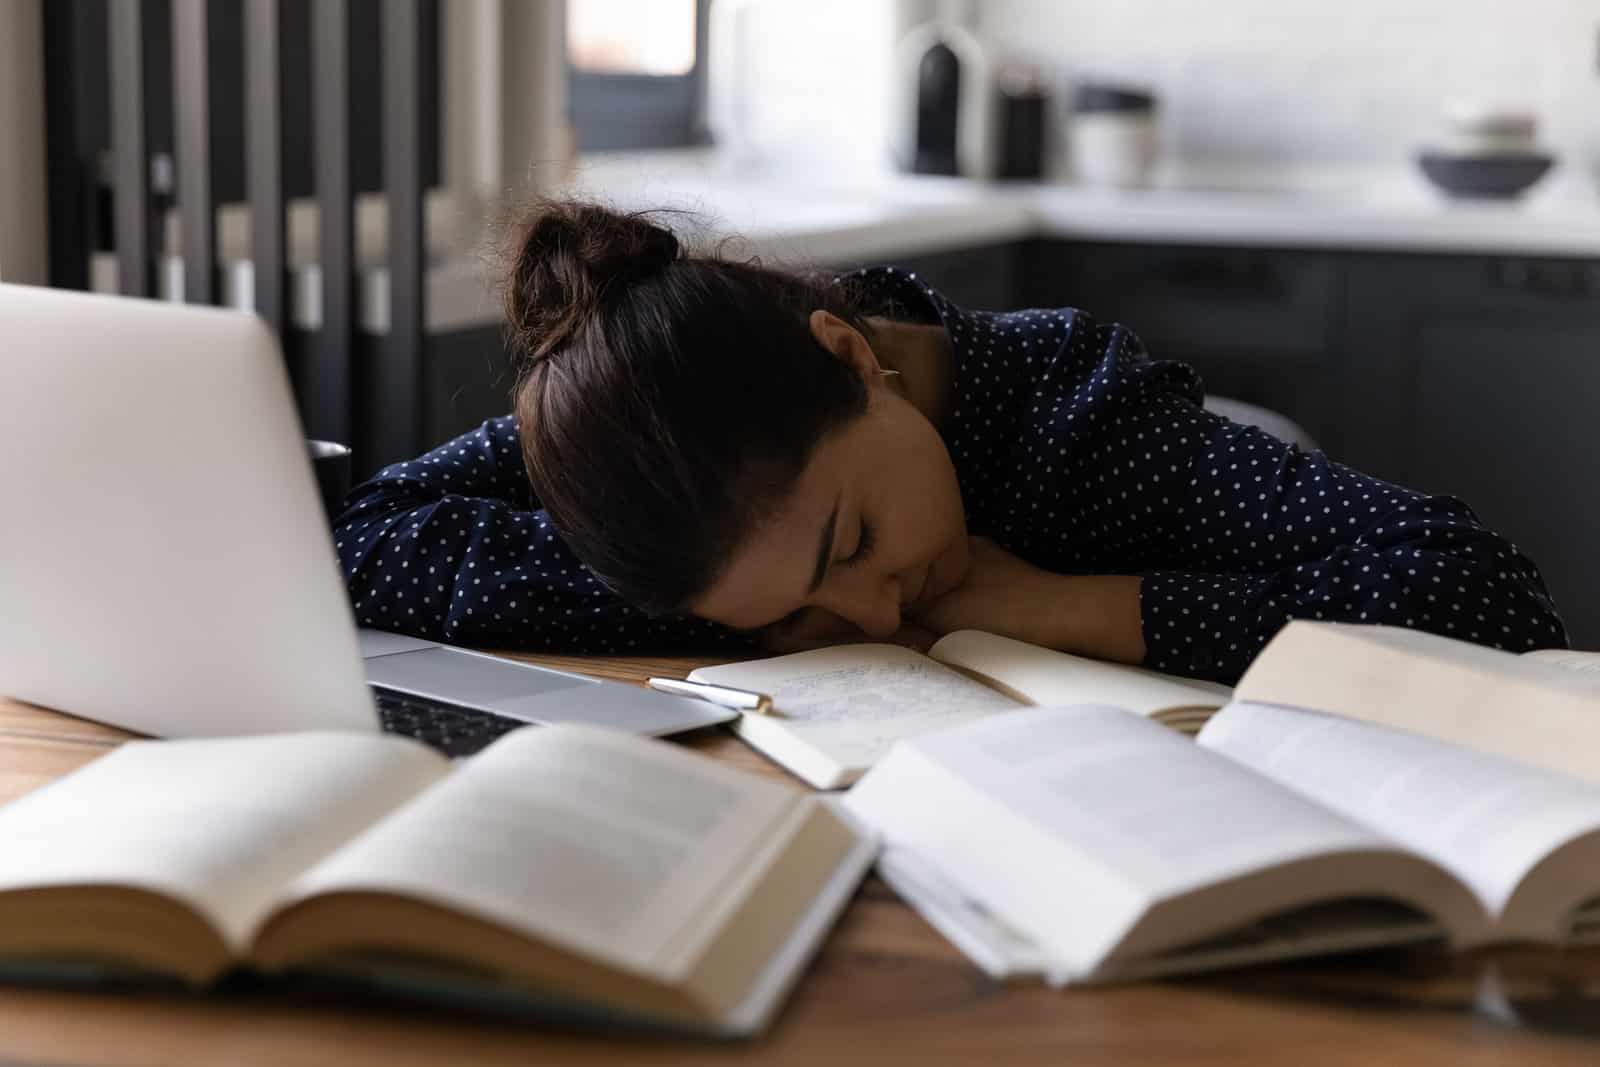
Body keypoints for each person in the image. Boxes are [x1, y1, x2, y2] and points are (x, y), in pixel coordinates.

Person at [332, 201, 1567, 684]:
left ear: (848, 354)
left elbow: (1491, 597)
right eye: (810, 601)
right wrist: (740, 613)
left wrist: (1066, 607)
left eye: (852, 541)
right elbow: (360, 537)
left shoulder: (1083, 415)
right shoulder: (659, 413)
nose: (873, 615)